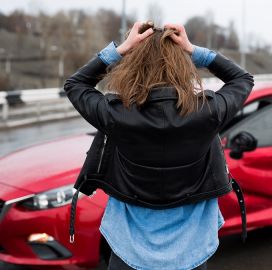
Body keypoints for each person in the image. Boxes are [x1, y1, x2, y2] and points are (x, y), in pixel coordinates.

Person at [63, 21, 254, 270]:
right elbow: (242, 78)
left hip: (128, 253)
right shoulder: (208, 112)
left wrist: (121, 49)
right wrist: (195, 50)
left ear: (132, 66)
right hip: (191, 252)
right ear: (183, 66)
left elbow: (75, 85)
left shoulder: (116, 115)